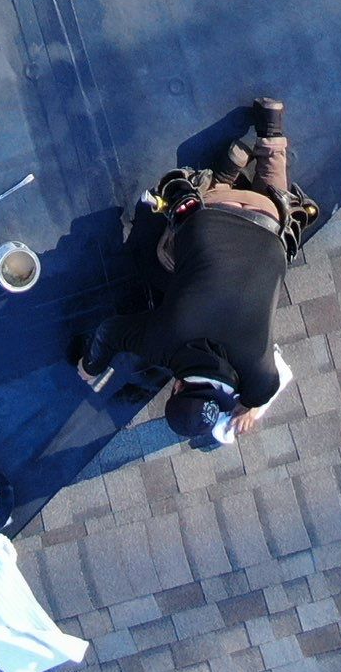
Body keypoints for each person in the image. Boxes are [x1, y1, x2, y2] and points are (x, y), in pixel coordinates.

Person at [76, 99, 300, 448]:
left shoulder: (257, 375)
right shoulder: (161, 342)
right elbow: (109, 332)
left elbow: (262, 394)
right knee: (163, 261)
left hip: (268, 224)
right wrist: (90, 367)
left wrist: (249, 409)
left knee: (272, 200)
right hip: (209, 213)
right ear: (177, 387)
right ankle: (224, 177)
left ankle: (270, 132)